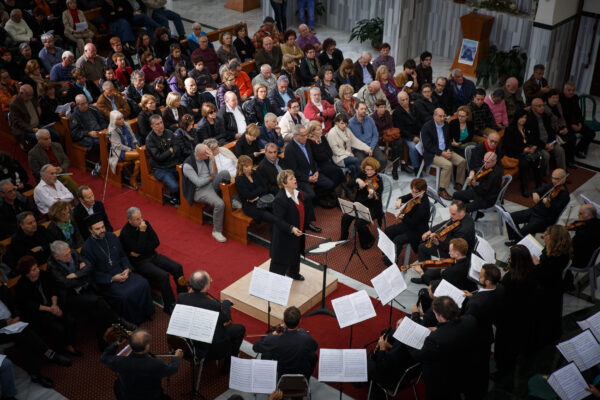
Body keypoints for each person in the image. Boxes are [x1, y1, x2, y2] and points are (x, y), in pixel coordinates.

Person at [0, 275, 71, 389]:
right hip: (2, 330)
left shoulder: (2, 288)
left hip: (14, 323)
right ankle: (51, 355)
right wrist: (5, 323)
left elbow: (14, 306)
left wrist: (17, 316)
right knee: (25, 334)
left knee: (25, 337)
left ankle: (36, 374)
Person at [82, 214, 155, 325]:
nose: (102, 230)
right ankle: (132, 322)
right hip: (108, 281)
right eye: (98, 229)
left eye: (103, 227)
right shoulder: (87, 248)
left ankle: (146, 313)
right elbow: (92, 273)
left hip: (122, 272)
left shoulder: (111, 237)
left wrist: (127, 269)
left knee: (143, 283)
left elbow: (123, 256)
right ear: (90, 230)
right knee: (124, 296)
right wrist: (112, 278)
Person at [406, 296, 477, 400]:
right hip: (463, 366)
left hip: (441, 377)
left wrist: (407, 340)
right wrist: (439, 328)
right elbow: (454, 327)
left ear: (440, 316)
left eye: (435, 313)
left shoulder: (434, 339)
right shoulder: (470, 319)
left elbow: (419, 355)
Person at [119, 207, 185, 315]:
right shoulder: (125, 233)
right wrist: (142, 232)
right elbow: (138, 250)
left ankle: (184, 297)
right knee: (163, 276)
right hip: (140, 262)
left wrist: (141, 249)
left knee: (177, 267)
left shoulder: (145, 223)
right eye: (137, 219)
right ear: (129, 220)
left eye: (141, 217)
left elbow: (156, 242)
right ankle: (170, 305)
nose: (141, 221)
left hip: (153, 255)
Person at [178, 270, 246, 372]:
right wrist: (226, 304)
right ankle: (229, 364)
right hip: (210, 347)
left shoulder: (181, 297)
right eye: (209, 280)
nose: (211, 280)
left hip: (189, 340)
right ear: (205, 287)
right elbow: (225, 319)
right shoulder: (212, 305)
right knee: (240, 329)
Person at [15, 256, 80, 356]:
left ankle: (69, 344)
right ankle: (59, 350)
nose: (38, 270)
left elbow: (53, 290)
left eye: (37, 267)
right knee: (58, 328)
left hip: (52, 306)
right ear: (27, 273)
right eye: (34, 270)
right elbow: (30, 305)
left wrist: (54, 305)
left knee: (71, 321)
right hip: (39, 314)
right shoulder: (21, 285)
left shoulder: (44, 275)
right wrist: (50, 309)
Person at [101, 329, 183, 400]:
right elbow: (173, 369)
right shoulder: (156, 363)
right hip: (151, 396)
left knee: (117, 385)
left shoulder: (119, 362)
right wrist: (176, 357)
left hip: (128, 396)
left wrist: (117, 343)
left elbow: (104, 357)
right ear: (147, 346)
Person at [461, 263, 503, 400]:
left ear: (488, 281)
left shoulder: (476, 304)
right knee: (483, 367)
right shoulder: (500, 289)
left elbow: (467, 322)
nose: (478, 276)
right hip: (486, 334)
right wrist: (472, 297)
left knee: (474, 370)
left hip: (475, 339)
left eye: (480, 276)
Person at [505, 168, 570, 245]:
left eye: (556, 179)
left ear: (564, 178)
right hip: (534, 211)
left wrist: (548, 203)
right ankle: (515, 239)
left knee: (523, 231)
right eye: (552, 177)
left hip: (544, 219)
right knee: (510, 218)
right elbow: (537, 190)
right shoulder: (551, 185)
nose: (553, 180)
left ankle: (517, 243)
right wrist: (534, 193)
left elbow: (554, 211)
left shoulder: (565, 195)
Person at [533, 225, 572, 349]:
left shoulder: (557, 258)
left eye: (547, 234)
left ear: (553, 238)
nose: (544, 234)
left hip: (550, 290)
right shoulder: (556, 249)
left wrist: (537, 265)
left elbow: (545, 277)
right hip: (551, 283)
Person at [253, 306, 318, 380]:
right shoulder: (306, 336)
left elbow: (255, 347)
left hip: (283, 374)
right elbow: (314, 347)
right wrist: (302, 332)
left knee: (266, 353)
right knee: (313, 356)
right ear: (300, 321)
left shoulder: (275, 340)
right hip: (302, 374)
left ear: (283, 320)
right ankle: (306, 380)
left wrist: (273, 334)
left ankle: (267, 378)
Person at [284, 125, 332, 218]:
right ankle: (313, 205)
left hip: (313, 173)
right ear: (295, 136)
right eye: (303, 135)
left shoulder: (307, 143)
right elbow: (293, 171)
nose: (306, 137)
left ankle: (317, 200)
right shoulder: (290, 149)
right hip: (301, 178)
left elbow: (313, 160)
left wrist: (317, 171)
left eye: (306, 134)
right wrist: (308, 178)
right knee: (311, 194)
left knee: (329, 184)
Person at [182, 144, 227, 242]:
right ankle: (217, 231)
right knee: (220, 204)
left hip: (210, 183)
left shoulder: (207, 157)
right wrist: (211, 178)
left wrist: (213, 160)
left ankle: (233, 200)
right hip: (199, 190)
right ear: (200, 155)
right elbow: (198, 183)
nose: (209, 154)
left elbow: (214, 173)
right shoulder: (188, 165)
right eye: (207, 153)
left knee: (225, 173)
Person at [269, 170, 309, 280]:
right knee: (282, 258)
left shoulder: (298, 194)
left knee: (295, 253)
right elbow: (278, 220)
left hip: (298, 232)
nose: (295, 179)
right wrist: (291, 228)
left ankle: (293, 273)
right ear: (284, 183)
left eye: (294, 177)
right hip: (284, 235)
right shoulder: (280, 199)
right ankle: (274, 281)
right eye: (291, 178)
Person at [421, 108, 467, 200]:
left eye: (444, 116)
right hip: (433, 153)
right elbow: (428, 146)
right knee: (448, 165)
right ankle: (441, 190)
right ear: (434, 116)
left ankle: (459, 184)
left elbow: (449, 139)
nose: (442, 118)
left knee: (462, 161)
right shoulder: (427, 127)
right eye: (440, 116)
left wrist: (449, 149)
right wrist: (442, 153)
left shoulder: (446, 124)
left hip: (445, 150)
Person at [339, 157, 383, 249]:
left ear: (375, 169)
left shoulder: (379, 181)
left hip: (373, 207)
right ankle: (343, 237)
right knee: (346, 216)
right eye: (367, 170)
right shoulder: (362, 174)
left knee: (359, 223)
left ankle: (369, 239)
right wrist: (357, 180)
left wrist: (371, 195)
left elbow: (376, 199)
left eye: (372, 170)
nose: (369, 172)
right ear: (364, 169)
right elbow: (349, 184)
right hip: (359, 204)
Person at [384, 178, 430, 265]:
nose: (412, 194)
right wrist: (399, 200)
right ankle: (390, 253)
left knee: (398, 239)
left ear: (422, 191)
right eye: (412, 191)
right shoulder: (415, 195)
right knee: (388, 231)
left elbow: (412, 223)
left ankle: (394, 259)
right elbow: (405, 197)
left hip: (418, 230)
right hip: (409, 224)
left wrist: (401, 216)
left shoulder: (423, 206)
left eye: (415, 192)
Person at [412, 238, 477, 292]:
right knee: (431, 272)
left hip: (455, 290)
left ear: (457, 254)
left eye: (450, 251)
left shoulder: (451, 271)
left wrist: (421, 272)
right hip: (464, 283)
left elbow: (437, 286)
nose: (449, 252)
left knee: (427, 278)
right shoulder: (470, 260)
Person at [146, 115, 180, 205]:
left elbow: (176, 147)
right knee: (175, 186)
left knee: (189, 177)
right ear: (152, 126)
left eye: (161, 122)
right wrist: (170, 151)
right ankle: (174, 198)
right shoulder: (150, 140)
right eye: (157, 124)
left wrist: (171, 153)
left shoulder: (169, 132)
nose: (161, 125)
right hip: (160, 168)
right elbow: (158, 157)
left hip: (173, 163)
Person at [235, 155, 278, 224]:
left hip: (262, 199)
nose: (249, 168)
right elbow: (249, 196)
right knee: (271, 217)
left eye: (250, 165)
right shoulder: (239, 179)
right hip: (250, 206)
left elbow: (265, 188)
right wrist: (260, 190)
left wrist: (257, 197)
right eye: (246, 166)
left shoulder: (255, 172)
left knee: (278, 209)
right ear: (241, 167)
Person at [560, 81, 595, 158]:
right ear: (564, 90)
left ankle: (577, 150)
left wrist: (579, 123)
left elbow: (578, 112)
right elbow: (563, 116)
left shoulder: (575, 97)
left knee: (591, 134)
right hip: (566, 124)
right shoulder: (560, 99)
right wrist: (572, 125)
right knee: (573, 137)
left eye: (573, 90)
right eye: (569, 90)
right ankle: (569, 156)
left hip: (576, 123)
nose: (571, 92)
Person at [348, 101, 388, 169]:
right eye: (362, 109)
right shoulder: (350, 123)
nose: (364, 111)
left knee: (383, 160)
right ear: (356, 110)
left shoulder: (370, 120)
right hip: (359, 148)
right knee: (362, 162)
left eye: (365, 109)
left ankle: (376, 176)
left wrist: (371, 148)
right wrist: (364, 148)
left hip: (371, 146)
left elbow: (375, 135)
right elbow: (351, 140)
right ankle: (365, 178)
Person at [108, 110, 140, 189]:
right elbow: (118, 146)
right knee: (141, 155)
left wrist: (136, 144)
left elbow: (132, 136)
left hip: (131, 148)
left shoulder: (126, 124)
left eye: (122, 118)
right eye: (119, 119)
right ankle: (146, 175)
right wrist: (130, 149)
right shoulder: (112, 131)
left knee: (139, 162)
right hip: (120, 152)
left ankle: (133, 178)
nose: (122, 120)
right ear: (114, 120)